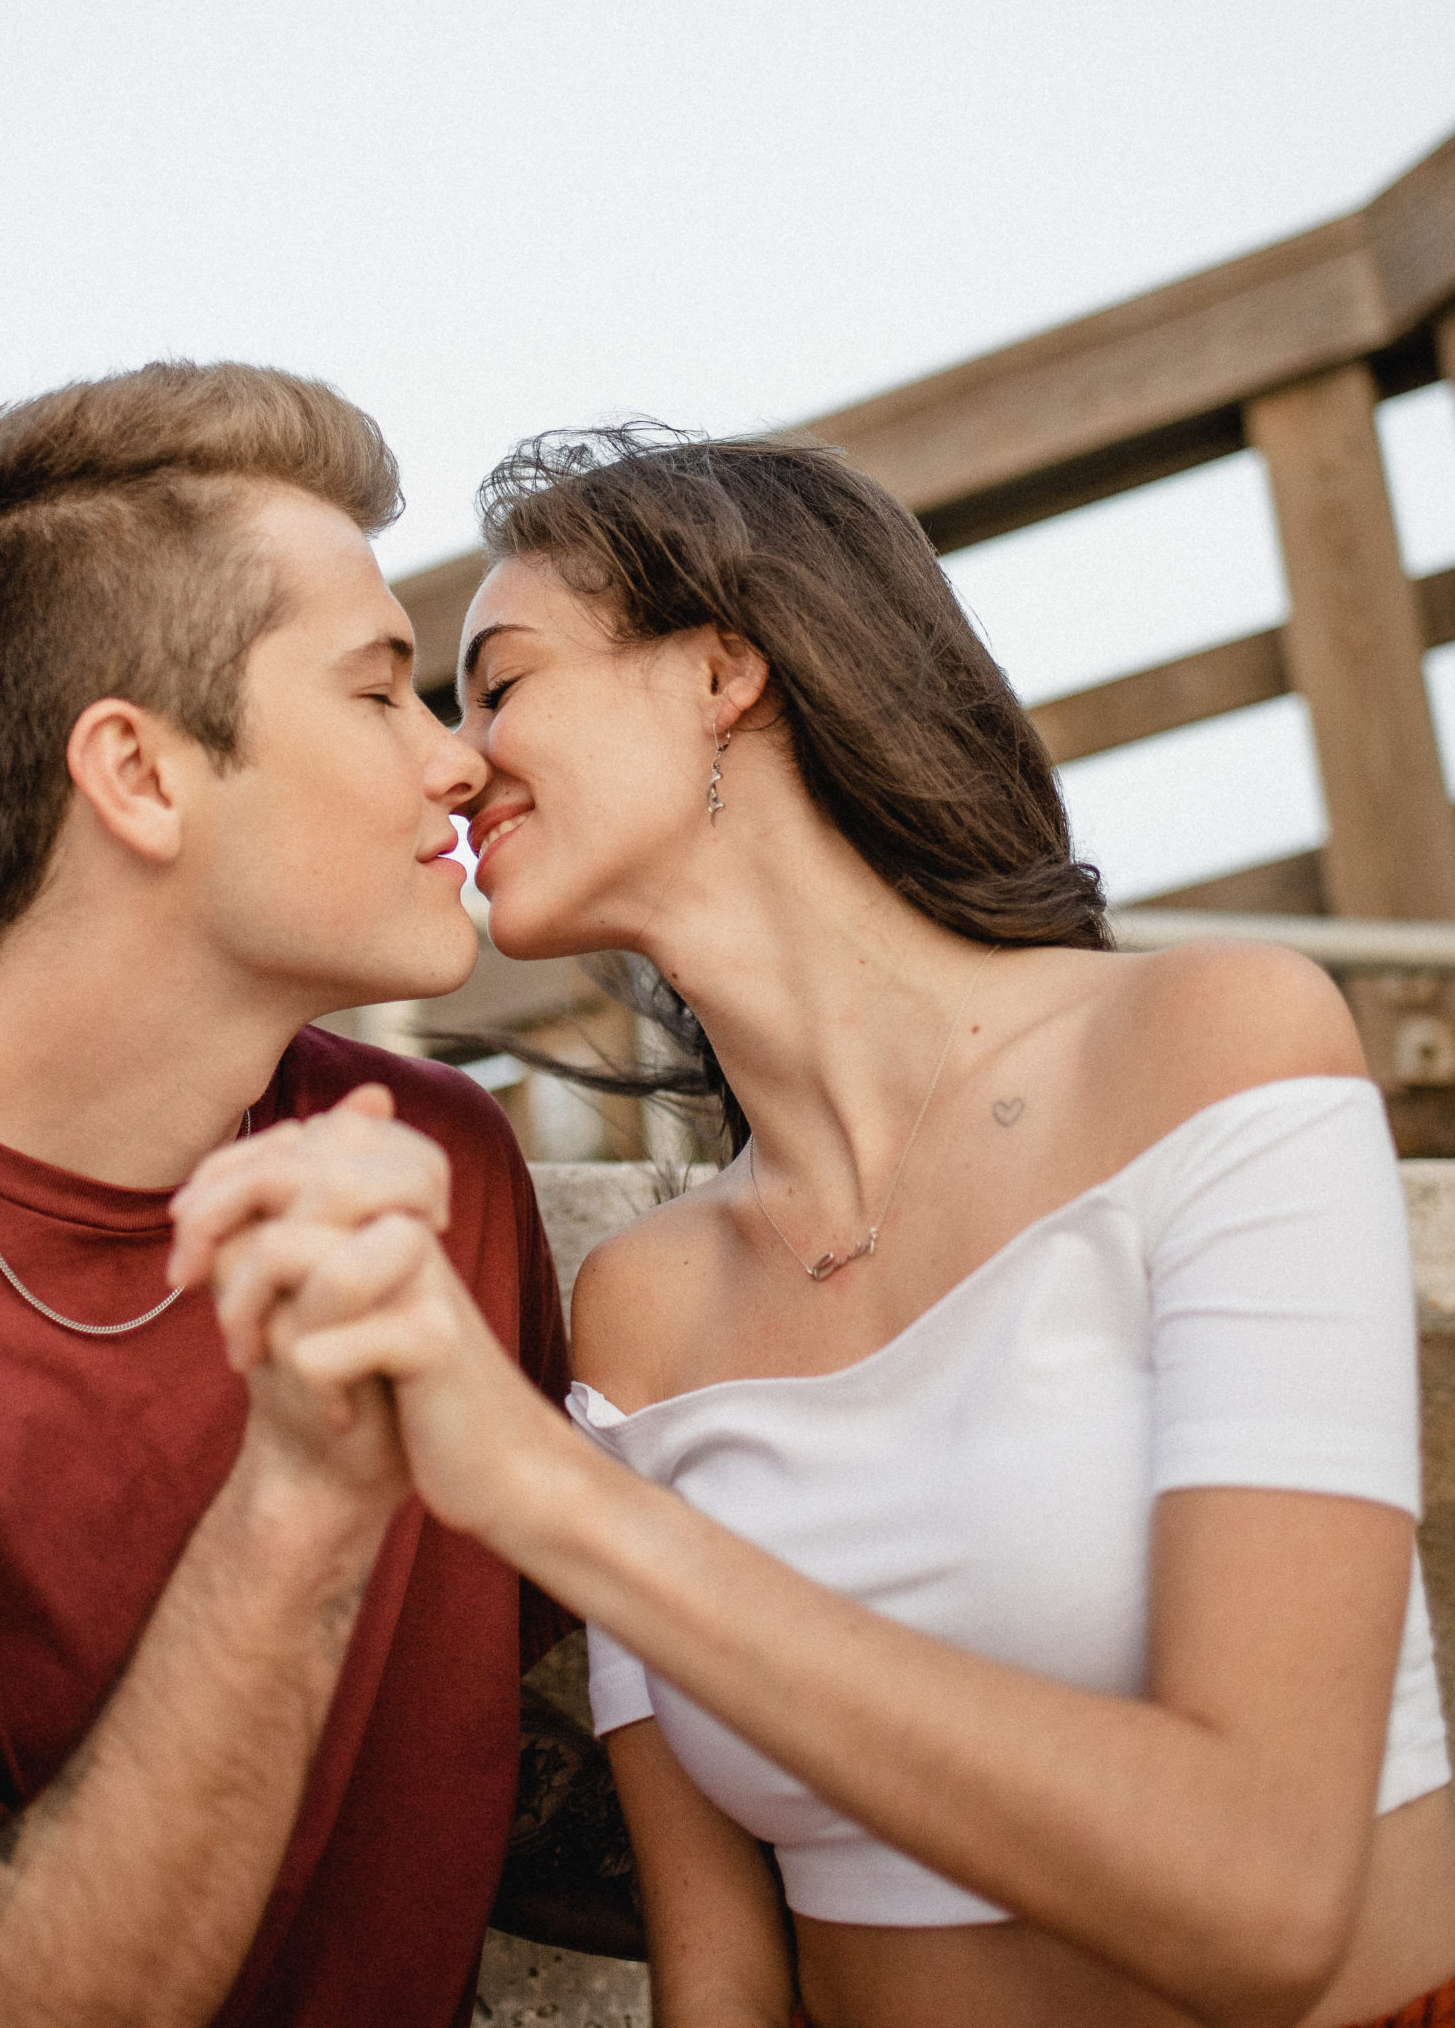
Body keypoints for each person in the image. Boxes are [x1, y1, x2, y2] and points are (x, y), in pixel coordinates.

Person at [179, 425, 1455, 2028]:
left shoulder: (1213, 1042)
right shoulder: (646, 1304)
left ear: (726, 669)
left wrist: (541, 1495)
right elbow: (722, 1987)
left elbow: (1260, 1900)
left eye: (499, 684)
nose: (452, 761)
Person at [0, 362, 571, 2028]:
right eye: (380, 694)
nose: (457, 767)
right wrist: (301, 1504)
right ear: (138, 775)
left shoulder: (437, 1164)